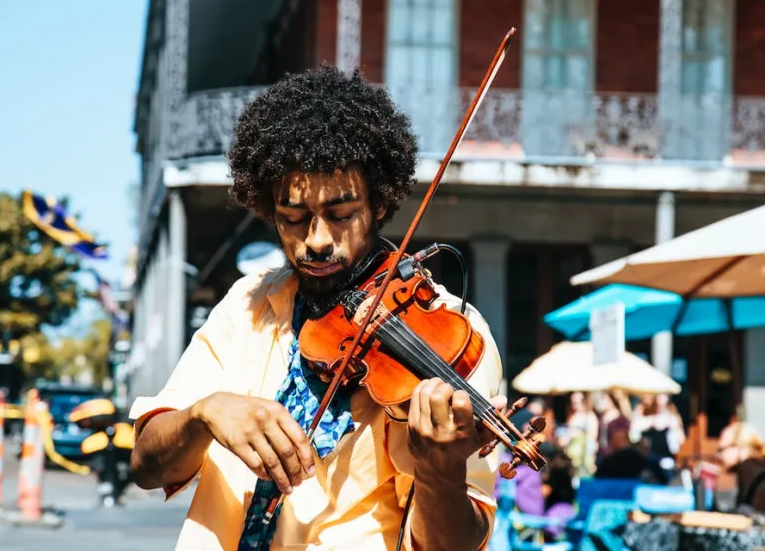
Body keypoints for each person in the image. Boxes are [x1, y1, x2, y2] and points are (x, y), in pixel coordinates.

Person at [129, 65, 506, 551]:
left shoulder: (453, 332)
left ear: (380, 204)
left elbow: (456, 544)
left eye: (342, 215)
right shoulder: (246, 303)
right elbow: (146, 464)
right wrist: (204, 413)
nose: (317, 241)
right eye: (292, 219)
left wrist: (440, 472)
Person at [718, 421, 765, 517]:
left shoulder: (747, 469)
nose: (719, 456)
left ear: (740, 448)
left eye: (721, 450)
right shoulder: (763, 466)